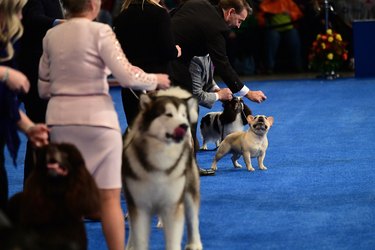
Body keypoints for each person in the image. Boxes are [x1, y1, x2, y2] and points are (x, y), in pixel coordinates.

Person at [37, 0, 170, 249]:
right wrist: (155, 79)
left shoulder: (50, 36)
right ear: (92, 5)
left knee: (67, 196)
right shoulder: (102, 32)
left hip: (60, 121)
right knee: (109, 199)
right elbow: (126, 75)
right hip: (98, 121)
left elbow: (43, 89)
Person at [170, 0, 267, 175]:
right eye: (240, 21)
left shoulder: (199, 4)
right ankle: (187, 168)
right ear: (230, 12)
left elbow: (172, 15)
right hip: (173, 65)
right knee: (188, 114)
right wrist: (247, 93)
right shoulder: (216, 28)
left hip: (163, 57)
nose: (238, 26)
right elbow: (222, 64)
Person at [0, 0, 49, 211]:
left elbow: (6, 104)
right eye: (17, 11)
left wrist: (29, 127)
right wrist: (5, 73)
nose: (21, 18)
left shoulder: (9, 43)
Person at [16, 0, 65, 183]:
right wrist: (60, 23)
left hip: (44, 69)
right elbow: (33, 19)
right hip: (34, 69)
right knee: (41, 131)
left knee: (44, 131)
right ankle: (33, 189)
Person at [114, 0, 181, 130]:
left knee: (136, 131)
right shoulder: (160, 14)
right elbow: (168, 51)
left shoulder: (122, 15)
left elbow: (117, 52)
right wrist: (176, 51)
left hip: (132, 84)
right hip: (158, 84)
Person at [256, 0, 303, 73]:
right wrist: (267, 18)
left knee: (294, 37)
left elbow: (298, 14)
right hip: (273, 29)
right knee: (271, 38)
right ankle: (269, 67)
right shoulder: (265, 4)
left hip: (289, 28)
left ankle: (297, 66)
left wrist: (290, 14)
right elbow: (260, 19)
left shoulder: (288, 2)